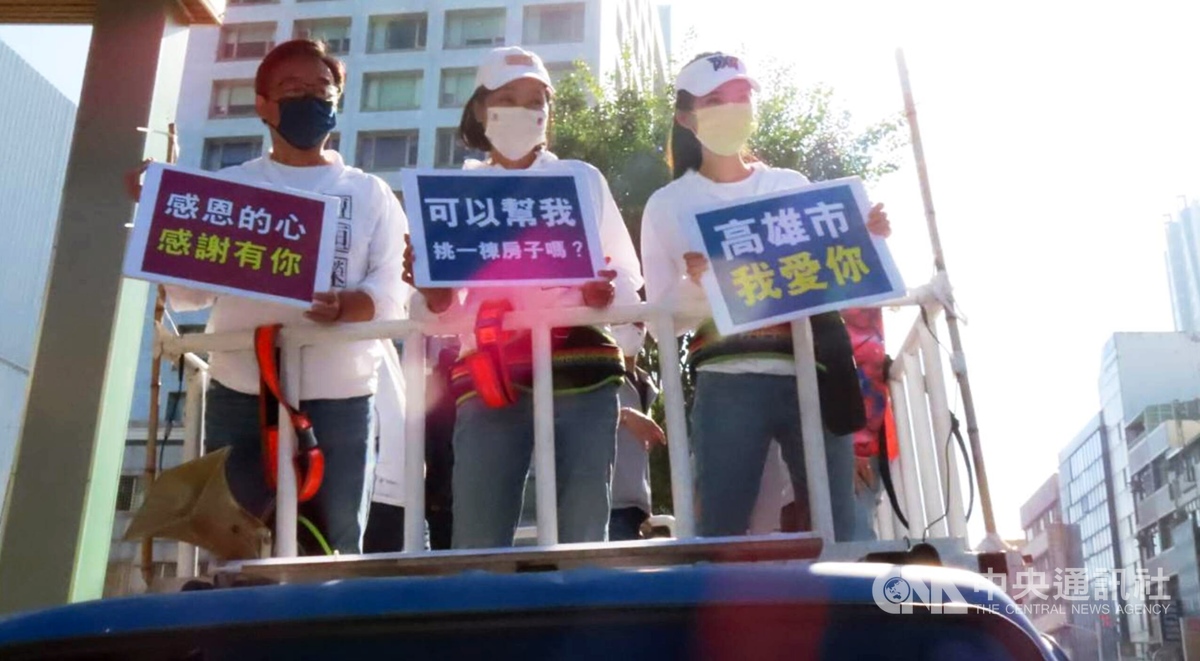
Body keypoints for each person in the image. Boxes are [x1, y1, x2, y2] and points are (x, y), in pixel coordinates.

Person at [132, 40, 410, 554]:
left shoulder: (369, 192)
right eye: (291, 89)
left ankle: (322, 628)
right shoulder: (228, 189)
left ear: (337, 100)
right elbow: (190, 294)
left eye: (320, 90)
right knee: (235, 536)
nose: (309, 99)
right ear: (262, 104)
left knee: (335, 540)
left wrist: (347, 307)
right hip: (241, 388)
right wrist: (160, 216)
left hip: (342, 392)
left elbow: (391, 287)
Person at [640, 52, 892, 540]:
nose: (732, 109)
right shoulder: (668, 205)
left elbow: (833, 273)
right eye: (715, 101)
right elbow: (659, 320)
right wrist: (701, 287)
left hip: (810, 372)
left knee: (839, 526)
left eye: (740, 97)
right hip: (726, 377)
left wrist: (867, 237)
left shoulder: (789, 186)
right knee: (722, 530)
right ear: (685, 118)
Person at [405, 46, 643, 549]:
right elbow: (437, 316)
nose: (524, 110)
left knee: (583, 531)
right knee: (478, 536)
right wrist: (434, 293)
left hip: (583, 369)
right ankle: (485, 620)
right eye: (507, 98)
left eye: (536, 100)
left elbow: (625, 278)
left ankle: (582, 619)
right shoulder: (453, 193)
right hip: (490, 374)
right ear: (479, 110)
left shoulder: (580, 178)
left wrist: (601, 295)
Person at [609, 323, 665, 541]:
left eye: (637, 320)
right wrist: (624, 415)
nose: (631, 327)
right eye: (620, 321)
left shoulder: (645, 383)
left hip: (636, 512)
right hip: (608, 508)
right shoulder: (595, 375)